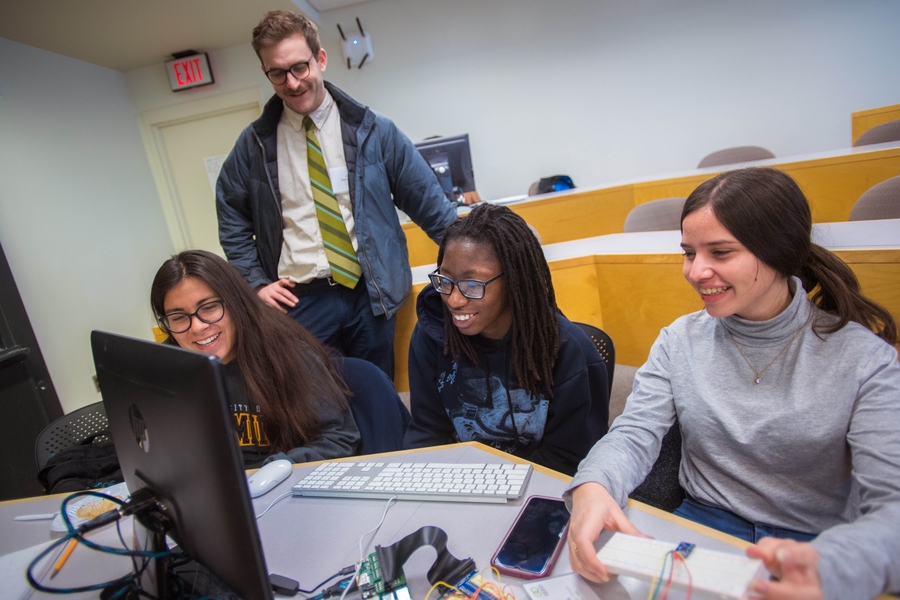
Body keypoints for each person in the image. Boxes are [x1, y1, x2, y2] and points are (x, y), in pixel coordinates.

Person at [565, 168, 900, 600]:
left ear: (780, 251)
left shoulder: (864, 359)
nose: (696, 272)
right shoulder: (680, 339)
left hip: (816, 547)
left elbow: (892, 508)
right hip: (700, 529)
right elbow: (632, 435)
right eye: (689, 253)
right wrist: (593, 485)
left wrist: (836, 567)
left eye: (720, 253)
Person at [215, 10, 458, 381]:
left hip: (370, 295)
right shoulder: (254, 145)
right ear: (266, 72)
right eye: (277, 73)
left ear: (321, 59)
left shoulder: (374, 130)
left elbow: (429, 203)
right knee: (315, 404)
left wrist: (470, 263)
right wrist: (255, 284)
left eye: (300, 67)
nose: (293, 83)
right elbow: (231, 214)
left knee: (376, 394)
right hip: (299, 303)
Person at [403, 204, 609, 476]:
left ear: (514, 281)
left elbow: (569, 460)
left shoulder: (570, 351)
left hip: (539, 488)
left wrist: (490, 484)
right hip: (455, 480)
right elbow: (428, 430)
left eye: (473, 284)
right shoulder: (432, 336)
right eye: (445, 280)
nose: (454, 299)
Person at [150, 249, 360, 468]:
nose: (197, 327)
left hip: (279, 484)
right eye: (178, 317)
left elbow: (340, 438)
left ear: (235, 302)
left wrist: (272, 471)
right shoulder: (168, 367)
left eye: (209, 307)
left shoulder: (287, 353)